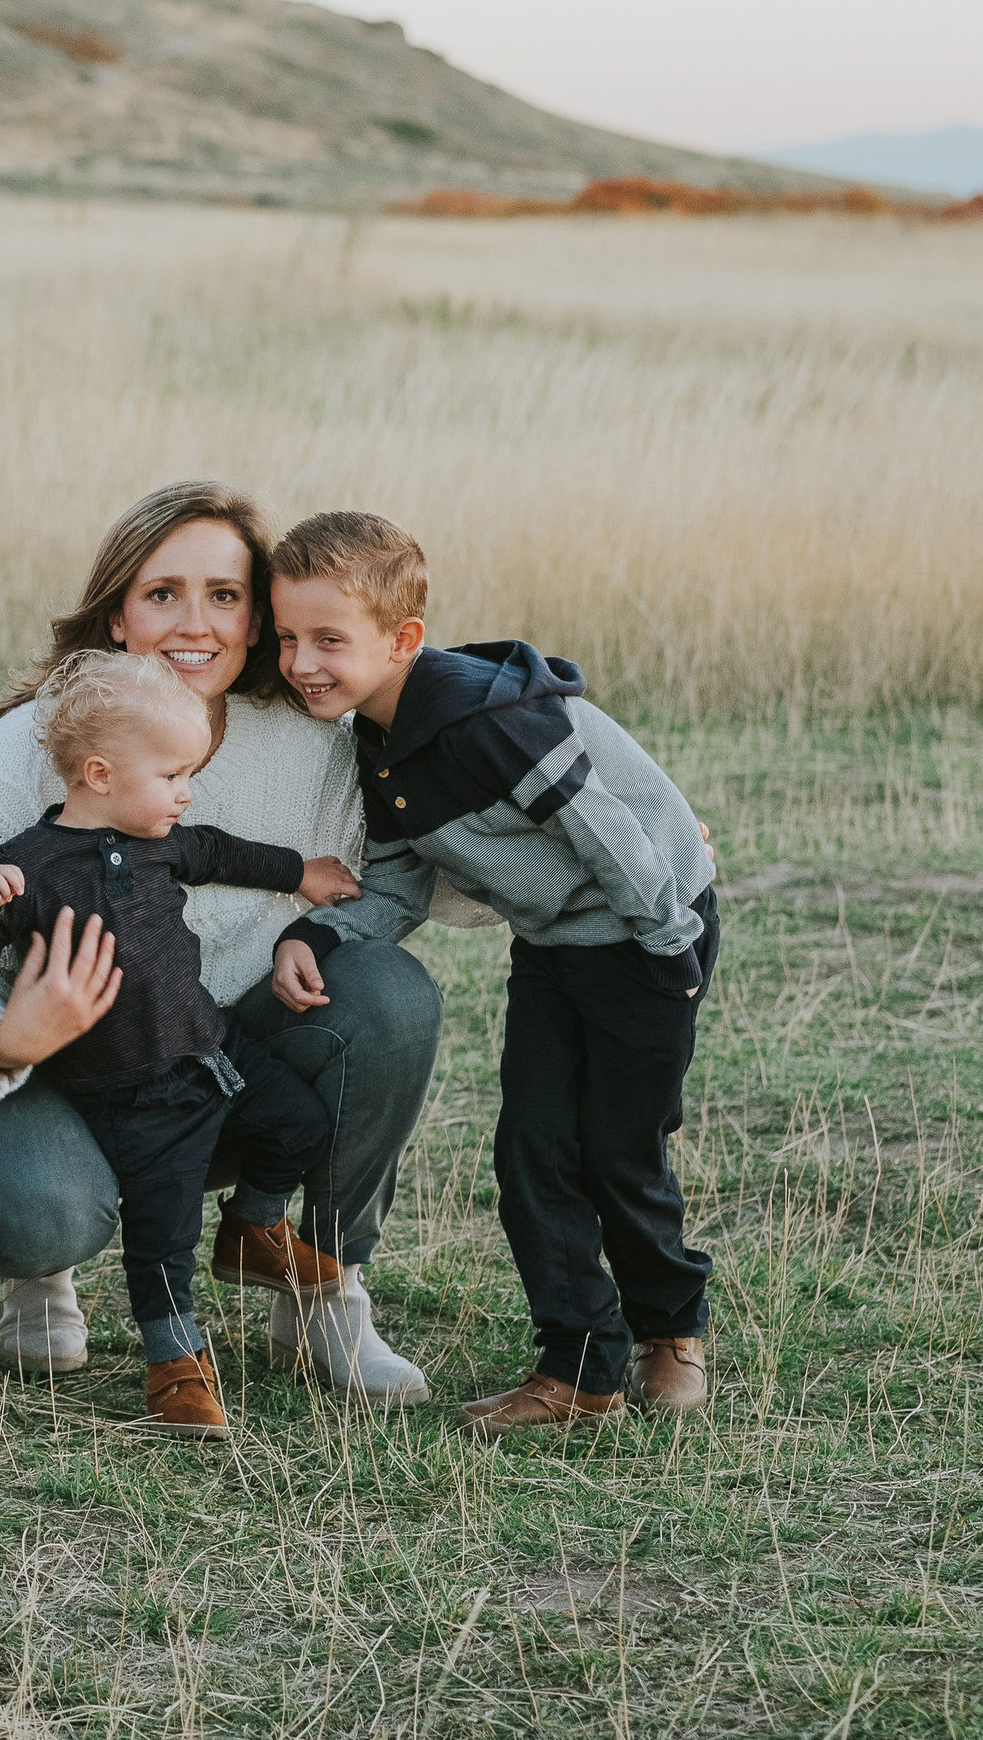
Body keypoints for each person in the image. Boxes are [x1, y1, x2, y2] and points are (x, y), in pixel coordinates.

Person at [0, 481, 482, 1400]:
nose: (194, 622)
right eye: (161, 592)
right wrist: (7, 1039)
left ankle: (322, 1288)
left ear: (259, 620)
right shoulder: (32, 747)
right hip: (60, 1062)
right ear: (119, 616)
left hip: (213, 1051)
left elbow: (408, 859)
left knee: (391, 996)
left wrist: (594, 852)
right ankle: (42, 1271)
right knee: (45, 1211)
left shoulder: (308, 734)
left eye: (224, 594)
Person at [266, 510, 721, 1434]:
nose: (300, 660)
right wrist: (319, 939)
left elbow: (608, 831)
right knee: (532, 1151)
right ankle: (580, 1369)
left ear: (403, 640)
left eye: (327, 639)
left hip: (649, 930)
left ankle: (670, 1331)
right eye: (285, 638)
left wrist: (668, 948)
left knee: (619, 1147)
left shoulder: (489, 714)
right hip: (554, 945)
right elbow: (396, 882)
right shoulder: (374, 740)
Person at [0, 650, 362, 1433]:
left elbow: (226, 851)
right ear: (98, 773)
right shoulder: (28, 866)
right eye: (172, 774)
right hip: (132, 1092)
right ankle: (174, 1362)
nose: (186, 790)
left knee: (301, 1121)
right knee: (162, 1236)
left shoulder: (161, 841)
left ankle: (255, 1226)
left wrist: (301, 871)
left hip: (212, 1048)